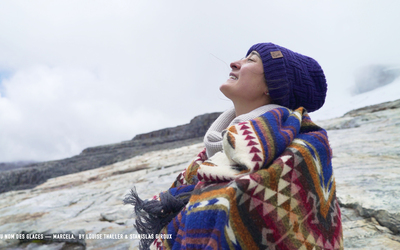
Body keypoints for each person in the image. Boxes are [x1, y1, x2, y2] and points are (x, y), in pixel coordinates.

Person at [125, 42, 343, 250]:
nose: (234, 63)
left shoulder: (305, 146)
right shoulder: (212, 153)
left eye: (251, 60)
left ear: (273, 85)